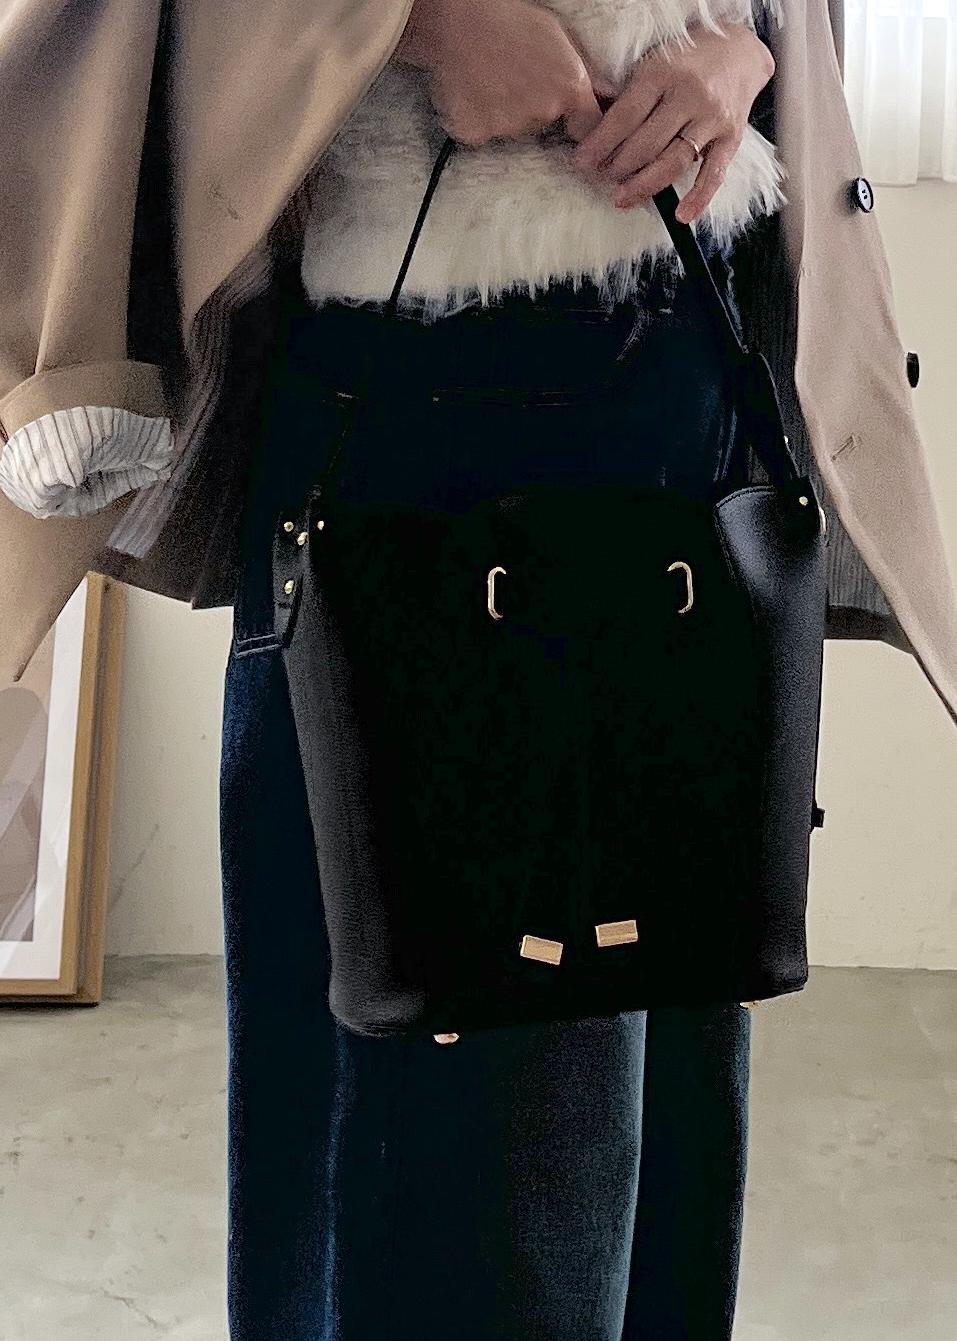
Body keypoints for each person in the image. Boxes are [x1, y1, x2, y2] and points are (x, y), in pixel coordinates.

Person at [1, 2, 955, 1339]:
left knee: (662, 998)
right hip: (415, 368)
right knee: (416, 1046)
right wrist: (422, 23)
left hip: (685, 335)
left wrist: (744, 46)